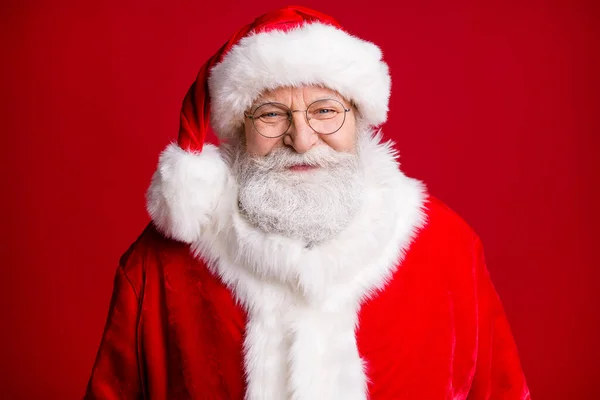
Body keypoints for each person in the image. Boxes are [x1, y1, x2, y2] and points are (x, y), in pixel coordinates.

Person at [84, 6, 530, 400]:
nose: (301, 140)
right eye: (272, 114)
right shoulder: (159, 265)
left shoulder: (448, 248)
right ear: (240, 128)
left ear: (358, 118)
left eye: (324, 110)